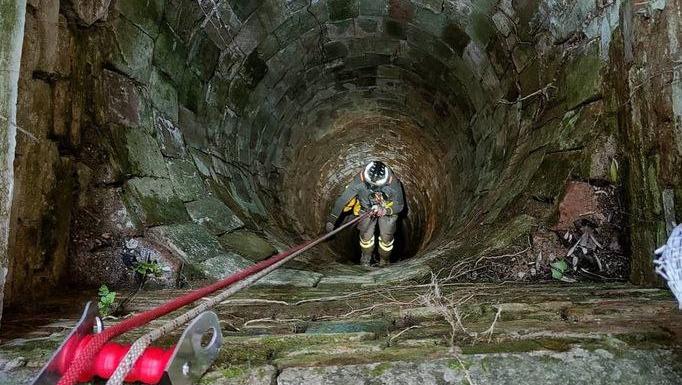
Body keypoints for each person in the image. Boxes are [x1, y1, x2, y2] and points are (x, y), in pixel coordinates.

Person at [326, 161, 405, 267]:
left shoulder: (393, 183)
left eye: (376, 186)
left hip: (387, 210)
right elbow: (343, 199)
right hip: (366, 210)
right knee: (365, 238)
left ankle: (384, 261)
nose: (372, 187)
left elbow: (400, 205)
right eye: (370, 184)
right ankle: (366, 259)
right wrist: (332, 219)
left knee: (386, 239)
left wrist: (385, 210)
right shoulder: (359, 180)